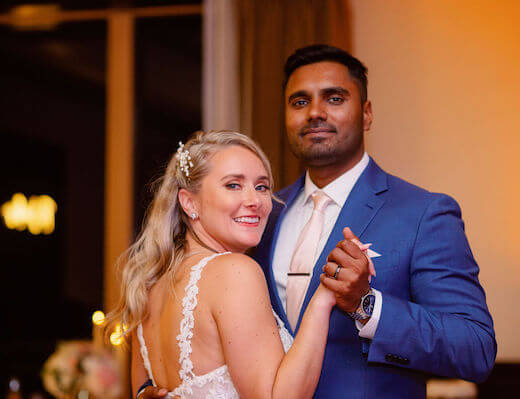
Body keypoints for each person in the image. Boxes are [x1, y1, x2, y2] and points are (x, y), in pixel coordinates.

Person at [251, 44, 496, 398]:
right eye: (299, 102)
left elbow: (475, 350)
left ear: (366, 114)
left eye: (334, 99)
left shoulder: (424, 214)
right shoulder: (263, 213)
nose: (315, 113)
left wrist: (366, 304)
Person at [111, 131, 338, 399]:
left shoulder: (150, 286)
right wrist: (324, 297)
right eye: (233, 185)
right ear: (189, 202)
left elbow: (142, 391)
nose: (255, 200)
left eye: (262, 186)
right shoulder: (235, 272)